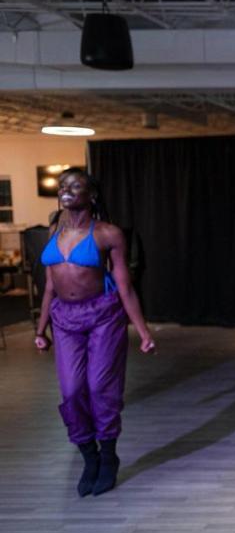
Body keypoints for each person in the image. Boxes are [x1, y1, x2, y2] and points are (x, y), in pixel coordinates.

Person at [34, 169, 155, 497]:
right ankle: (89, 456)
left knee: (100, 386)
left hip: (102, 314)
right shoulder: (55, 229)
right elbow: (48, 286)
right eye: (63, 186)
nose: (66, 191)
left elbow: (125, 288)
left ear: (92, 195)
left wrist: (143, 332)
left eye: (75, 186)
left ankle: (109, 454)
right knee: (72, 391)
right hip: (64, 319)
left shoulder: (107, 233)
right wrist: (40, 328)